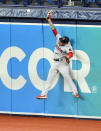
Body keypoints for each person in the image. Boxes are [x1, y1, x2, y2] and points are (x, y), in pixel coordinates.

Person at [36, 10, 79, 99]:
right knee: (49, 79)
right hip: (55, 63)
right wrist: (49, 21)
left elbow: (71, 54)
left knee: (68, 78)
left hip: (63, 64)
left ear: (66, 43)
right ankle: (44, 94)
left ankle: (75, 92)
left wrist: (68, 56)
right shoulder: (59, 38)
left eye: (62, 42)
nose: (60, 42)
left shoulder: (68, 46)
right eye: (60, 41)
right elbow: (54, 29)